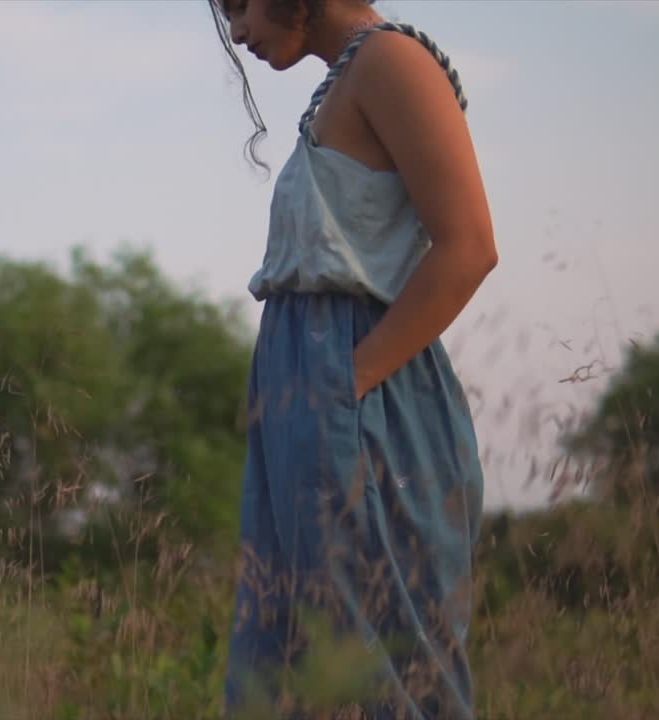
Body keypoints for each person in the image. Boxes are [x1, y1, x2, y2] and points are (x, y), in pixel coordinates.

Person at [207, 0, 497, 718]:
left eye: (238, 6)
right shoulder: (343, 79)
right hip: (308, 392)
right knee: (297, 658)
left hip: (363, 394)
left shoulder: (392, 60)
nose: (237, 32)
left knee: (384, 668)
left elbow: (469, 248)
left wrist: (346, 384)